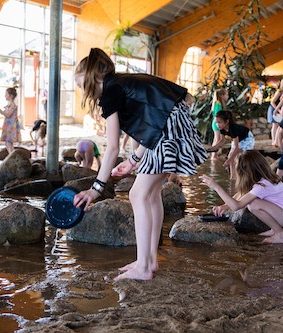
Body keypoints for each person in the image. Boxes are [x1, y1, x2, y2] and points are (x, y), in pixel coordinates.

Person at [72, 48, 207, 281]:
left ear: (93, 77)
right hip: (170, 126)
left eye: (80, 84)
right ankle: (149, 259)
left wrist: (95, 189)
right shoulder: (122, 83)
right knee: (151, 194)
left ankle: (144, 267)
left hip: (168, 130)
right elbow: (155, 119)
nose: (82, 90)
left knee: (138, 195)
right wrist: (134, 161)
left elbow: (112, 148)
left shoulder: (111, 91)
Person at [200, 150, 283, 244]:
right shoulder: (263, 180)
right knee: (252, 201)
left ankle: (281, 235)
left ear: (245, 172)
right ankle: (275, 229)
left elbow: (237, 206)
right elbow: (242, 194)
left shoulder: (263, 186)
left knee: (253, 204)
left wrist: (216, 187)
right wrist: (225, 205)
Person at [208, 110, 255, 180]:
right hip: (237, 140)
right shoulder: (222, 128)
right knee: (231, 156)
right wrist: (213, 148)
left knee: (238, 157)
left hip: (247, 139)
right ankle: (233, 177)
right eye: (216, 123)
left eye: (219, 122)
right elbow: (223, 140)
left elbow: (237, 148)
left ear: (227, 122)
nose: (217, 125)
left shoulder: (233, 129)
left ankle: (245, 176)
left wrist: (229, 160)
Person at [0, 87, 21, 154]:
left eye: (6, 94)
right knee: (7, 143)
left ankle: (12, 156)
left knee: (9, 142)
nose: (5, 96)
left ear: (11, 96)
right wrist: (0, 110)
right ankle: (11, 155)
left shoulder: (13, 105)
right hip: (8, 125)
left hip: (11, 126)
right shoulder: (9, 105)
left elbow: (7, 114)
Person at [267, 77, 283, 146]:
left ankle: (276, 140)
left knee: (278, 126)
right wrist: (278, 110)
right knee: (275, 125)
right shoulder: (280, 91)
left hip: (279, 109)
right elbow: (272, 102)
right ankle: (274, 141)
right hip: (274, 108)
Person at [210, 88, 229, 160]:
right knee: (218, 139)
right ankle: (213, 155)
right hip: (217, 124)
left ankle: (214, 154)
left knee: (217, 139)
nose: (227, 96)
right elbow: (217, 116)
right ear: (222, 95)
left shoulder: (218, 103)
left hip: (217, 123)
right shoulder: (218, 104)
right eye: (226, 94)